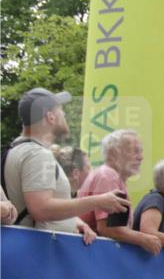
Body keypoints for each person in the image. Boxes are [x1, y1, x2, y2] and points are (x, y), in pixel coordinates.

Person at [3, 88, 128, 241]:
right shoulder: (37, 154)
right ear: (50, 117)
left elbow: (30, 206)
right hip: (36, 254)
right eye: (61, 110)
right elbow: (40, 209)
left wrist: (74, 220)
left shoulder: (18, 149)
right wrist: (98, 201)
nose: (65, 115)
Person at [77, 129, 161, 255]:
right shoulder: (108, 176)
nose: (141, 157)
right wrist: (143, 239)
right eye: (135, 150)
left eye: (141, 151)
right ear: (112, 153)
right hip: (91, 255)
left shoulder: (113, 178)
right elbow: (108, 228)